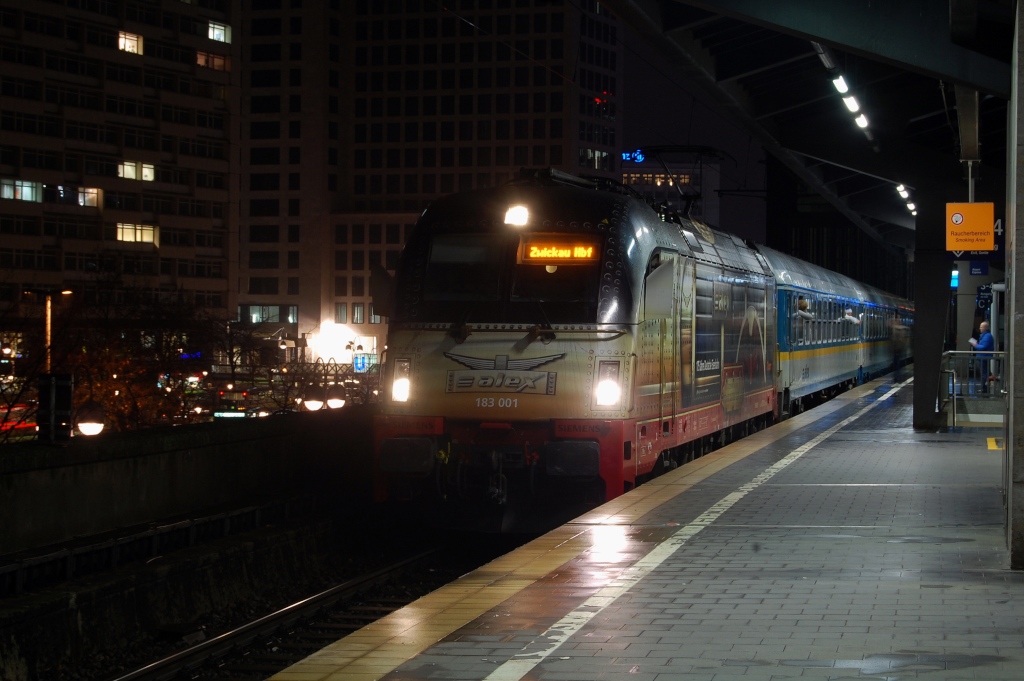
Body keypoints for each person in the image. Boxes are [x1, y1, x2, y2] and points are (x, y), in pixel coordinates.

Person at [969, 321, 995, 392]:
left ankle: (984, 389)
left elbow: (983, 347)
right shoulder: (985, 336)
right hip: (983, 357)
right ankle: (986, 386)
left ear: (985, 328)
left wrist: (975, 345)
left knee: (984, 374)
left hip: (984, 357)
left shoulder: (987, 336)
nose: (980, 328)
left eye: (981, 327)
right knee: (986, 373)